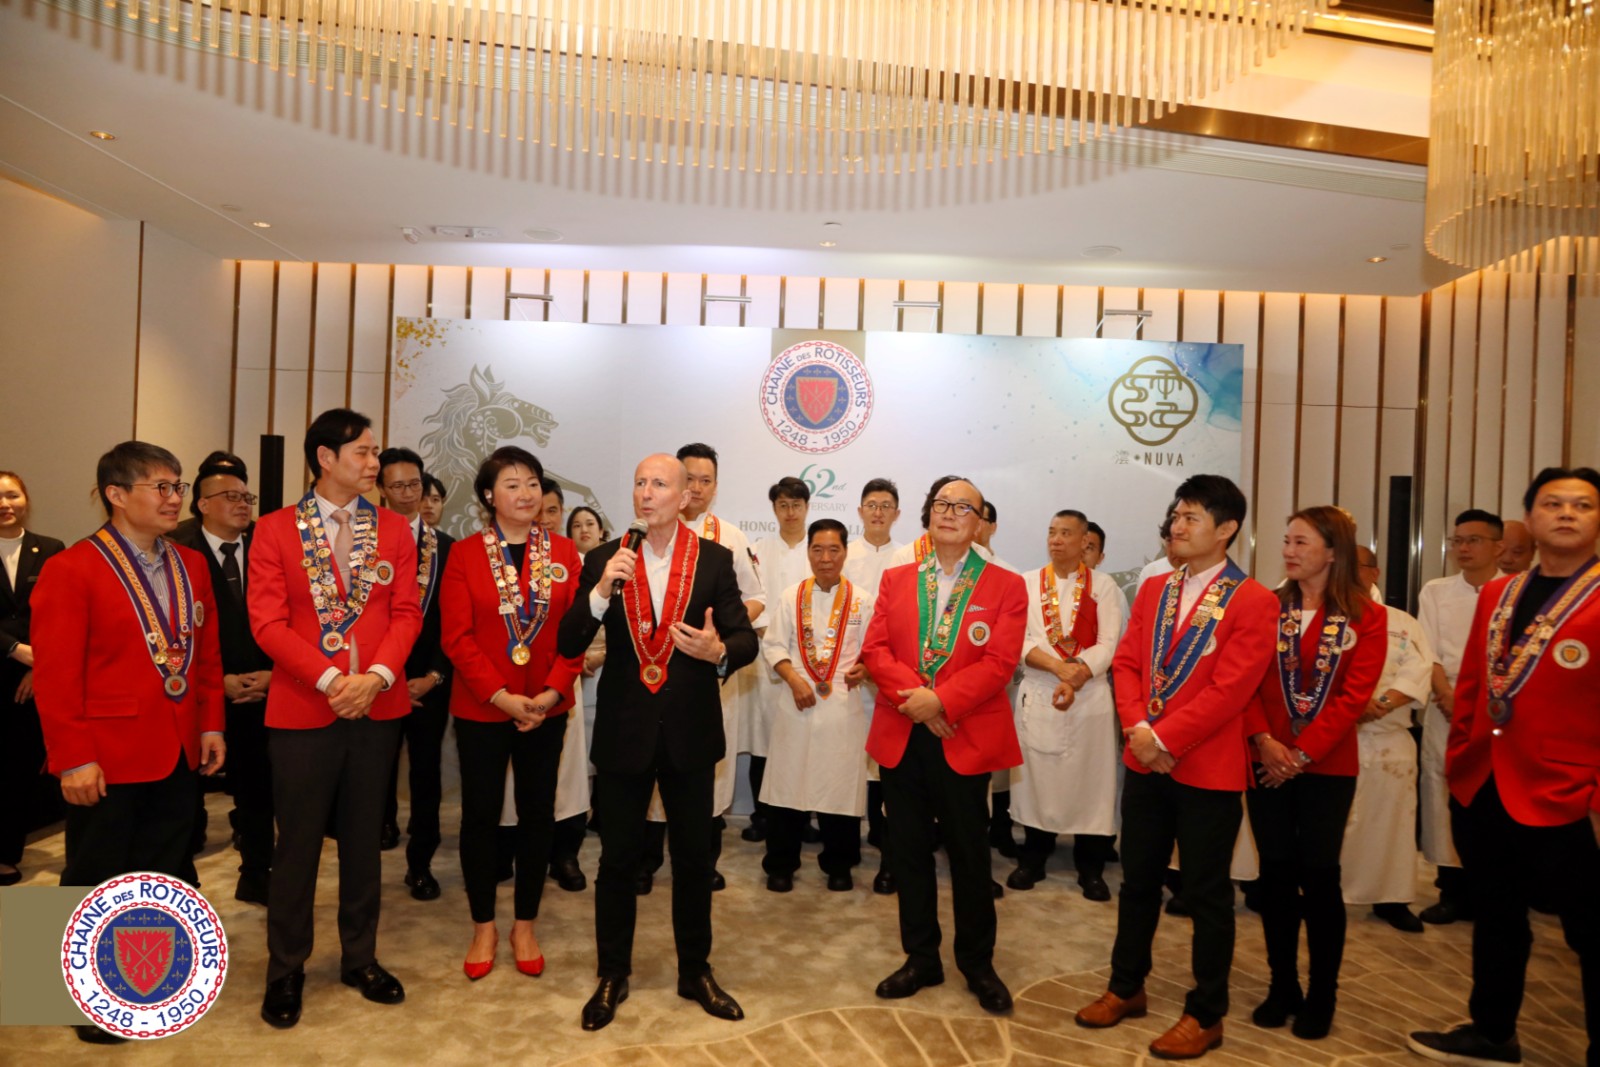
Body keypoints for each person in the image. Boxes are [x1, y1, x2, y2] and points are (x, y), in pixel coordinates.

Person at [1074, 474, 1277, 1062]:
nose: (1176, 526)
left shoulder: (1253, 600)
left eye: (1191, 517)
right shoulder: (1156, 589)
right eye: (1175, 515)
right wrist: (1140, 731)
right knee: (1137, 881)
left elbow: (1231, 690)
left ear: (1227, 528)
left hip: (1207, 769)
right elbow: (1128, 663)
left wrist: (1162, 738)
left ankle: (1207, 1013)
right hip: (1146, 763)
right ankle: (1125, 987)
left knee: (1206, 895)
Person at [556, 453, 759, 1032]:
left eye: (660, 484)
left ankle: (695, 971)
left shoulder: (714, 559)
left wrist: (718, 651)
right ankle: (612, 973)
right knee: (617, 861)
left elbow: (744, 639)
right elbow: (569, 641)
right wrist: (600, 592)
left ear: (685, 497)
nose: (646, 493)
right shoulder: (606, 558)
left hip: (690, 732)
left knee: (693, 860)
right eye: (640, 483)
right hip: (625, 732)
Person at [31, 443, 226, 1044]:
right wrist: (73, 757)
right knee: (92, 874)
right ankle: (67, 997)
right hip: (105, 753)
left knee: (160, 872)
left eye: (178, 486)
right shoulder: (72, 567)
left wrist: (211, 724)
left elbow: (206, 656)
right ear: (116, 494)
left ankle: (142, 988)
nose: (174, 498)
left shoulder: (191, 564)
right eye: (160, 487)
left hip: (177, 747)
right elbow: (56, 676)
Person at [1409, 467, 1600, 1067]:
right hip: (1485, 782)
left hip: (1569, 793)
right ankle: (1493, 1034)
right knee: (1497, 917)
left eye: (1583, 505)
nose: (1566, 513)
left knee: (1589, 931)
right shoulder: (1501, 594)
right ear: (1530, 518)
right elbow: (1474, 683)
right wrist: (1461, 760)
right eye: (1552, 503)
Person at [249, 408, 423, 1030]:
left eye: (375, 452)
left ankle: (360, 958)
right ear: (325, 458)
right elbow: (267, 623)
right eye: (363, 452)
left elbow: (407, 613)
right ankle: (286, 968)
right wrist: (329, 681)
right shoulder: (274, 530)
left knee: (364, 841)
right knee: (296, 844)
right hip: (304, 707)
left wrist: (374, 678)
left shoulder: (394, 530)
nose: (375, 462)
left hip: (376, 706)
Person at [861, 478, 1027, 1016]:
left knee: (969, 855)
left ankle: (977, 963)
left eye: (962, 507)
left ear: (980, 522)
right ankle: (921, 958)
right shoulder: (898, 578)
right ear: (928, 515)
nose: (949, 513)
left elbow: (1000, 663)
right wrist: (920, 700)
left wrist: (942, 702)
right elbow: (875, 650)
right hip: (904, 730)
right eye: (940, 505)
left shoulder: (1006, 585)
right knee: (908, 852)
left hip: (964, 735)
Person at [440, 447, 584, 980]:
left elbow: (576, 634)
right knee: (479, 816)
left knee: (537, 813)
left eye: (532, 484)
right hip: (483, 706)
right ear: (488, 495)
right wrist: (501, 696)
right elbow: (456, 638)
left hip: (546, 706)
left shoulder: (565, 552)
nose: (526, 494)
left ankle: (525, 923)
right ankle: (484, 925)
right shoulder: (465, 555)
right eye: (512, 485)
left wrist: (549, 695)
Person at [1243, 507, 1385, 1040]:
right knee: (1276, 875)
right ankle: (1282, 985)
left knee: (1320, 877)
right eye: (1286, 540)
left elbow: (1353, 698)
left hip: (1327, 766)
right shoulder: (1267, 606)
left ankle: (1322, 994)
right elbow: (1245, 682)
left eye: (1301, 542)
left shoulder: (1366, 616)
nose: (1288, 551)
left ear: (1332, 551)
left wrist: (1299, 757)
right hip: (1266, 759)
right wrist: (1265, 742)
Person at [170, 452, 276, 906]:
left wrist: (274, 675)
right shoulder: (177, 551)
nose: (242, 504)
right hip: (199, 692)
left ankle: (257, 873)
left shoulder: (268, 547)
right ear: (202, 504)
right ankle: (180, 880)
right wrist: (217, 681)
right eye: (230, 496)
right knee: (183, 793)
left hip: (264, 689)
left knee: (259, 789)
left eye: (246, 497)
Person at [1007, 510, 1126, 901]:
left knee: (1092, 783)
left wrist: (1077, 675)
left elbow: (1109, 643)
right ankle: (1033, 858)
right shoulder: (1027, 583)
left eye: (1065, 533)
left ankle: (1090, 868)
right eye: (1052, 532)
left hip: (1089, 697)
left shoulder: (1103, 586)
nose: (1056, 540)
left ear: (1083, 540)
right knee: (1036, 780)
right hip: (1041, 690)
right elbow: (1018, 639)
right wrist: (1058, 669)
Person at [760, 519, 875, 892]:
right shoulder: (791, 596)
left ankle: (839, 864)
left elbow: (875, 651)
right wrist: (794, 679)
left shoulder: (862, 600)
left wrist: (866, 668)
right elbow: (773, 646)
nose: (825, 558)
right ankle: (780, 864)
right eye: (817, 549)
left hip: (842, 707)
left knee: (839, 787)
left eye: (834, 550)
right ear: (808, 552)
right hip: (796, 703)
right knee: (787, 787)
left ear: (845, 552)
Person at [673, 442, 765, 864]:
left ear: (715, 486)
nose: (696, 488)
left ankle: (703, 862)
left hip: (712, 671)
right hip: (656, 669)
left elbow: (756, 597)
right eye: (689, 478)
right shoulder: (649, 532)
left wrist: (723, 638)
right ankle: (648, 860)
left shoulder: (730, 536)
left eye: (705, 480)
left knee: (706, 764)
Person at [1417, 508, 1503, 925]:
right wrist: (1448, 696)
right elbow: (1428, 650)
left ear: (1498, 547)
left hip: (1497, 708)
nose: (1464, 548)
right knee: (1440, 789)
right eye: (1458, 541)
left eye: (1474, 540)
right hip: (1446, 702)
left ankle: (1493, 890)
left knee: (1493, 794)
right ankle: (1450, 889)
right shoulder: (1436, 591)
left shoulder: (1513, 591)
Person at [1341, 545, 1434, 933]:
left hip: (1387, 738)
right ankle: (1322, 895)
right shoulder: (1325, 618)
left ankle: (1390, 898)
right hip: (1333, 739)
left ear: (1374, 573)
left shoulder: (1402, 622)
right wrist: (1349, 708)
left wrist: (1378, 704)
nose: (1347, 572)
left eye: (1356, 565)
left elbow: (1418, 670)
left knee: (1391, 825)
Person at [375, 447, 454, 898]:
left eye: (415, 485)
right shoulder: (365, 543)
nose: (408, 494)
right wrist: (383, 677)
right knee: (375, 770)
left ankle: (421, 862)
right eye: (398, 486)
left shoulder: (447, 548)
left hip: (429, 681)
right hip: (376, 681)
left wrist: (434, 676)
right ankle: (380, 830)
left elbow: (454, 622)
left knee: (426, 774)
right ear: (381, 490)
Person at [0, 471, 65, 887]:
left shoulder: (51, 549)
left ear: (26, 499)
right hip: (8, 659)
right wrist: (13, 648)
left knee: (18, 767)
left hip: (35, 676)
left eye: (12, 495)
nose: (5, 504)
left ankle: (6, 853)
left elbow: (59, 612)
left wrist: (36, 666)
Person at [843, 477, 904, 892]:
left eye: (885, 506)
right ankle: (846, 844)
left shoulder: (910, 557)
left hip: (893, 676)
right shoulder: (843, 555)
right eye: (871, 505)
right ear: (860, 511)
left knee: (888, 764)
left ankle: (887, 843)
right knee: (852, 760)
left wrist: (880, 664)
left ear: (896, 514)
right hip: (848, 672)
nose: (878, 512)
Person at [750, 476, 815, 837]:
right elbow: (751, 598)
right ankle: (762, 818)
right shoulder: (759, 549)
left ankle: (801, 820)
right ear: (774, 509)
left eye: (797, 505)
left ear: (807, 507)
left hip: (810, 661)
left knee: (802, 742)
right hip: (766, 658)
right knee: (764, 741)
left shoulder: (818, 550)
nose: (790, 512)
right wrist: (771, 638)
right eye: (783, 505)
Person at [541, 477, 593, 893]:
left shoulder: (572, 557)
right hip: (513, 687)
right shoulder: (497, 554)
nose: (544, 518)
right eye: (537, 509)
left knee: (568, 773)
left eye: (553, 510)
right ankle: (514, 850)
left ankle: (564, 854)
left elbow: (585, 617)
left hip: (563, 678)